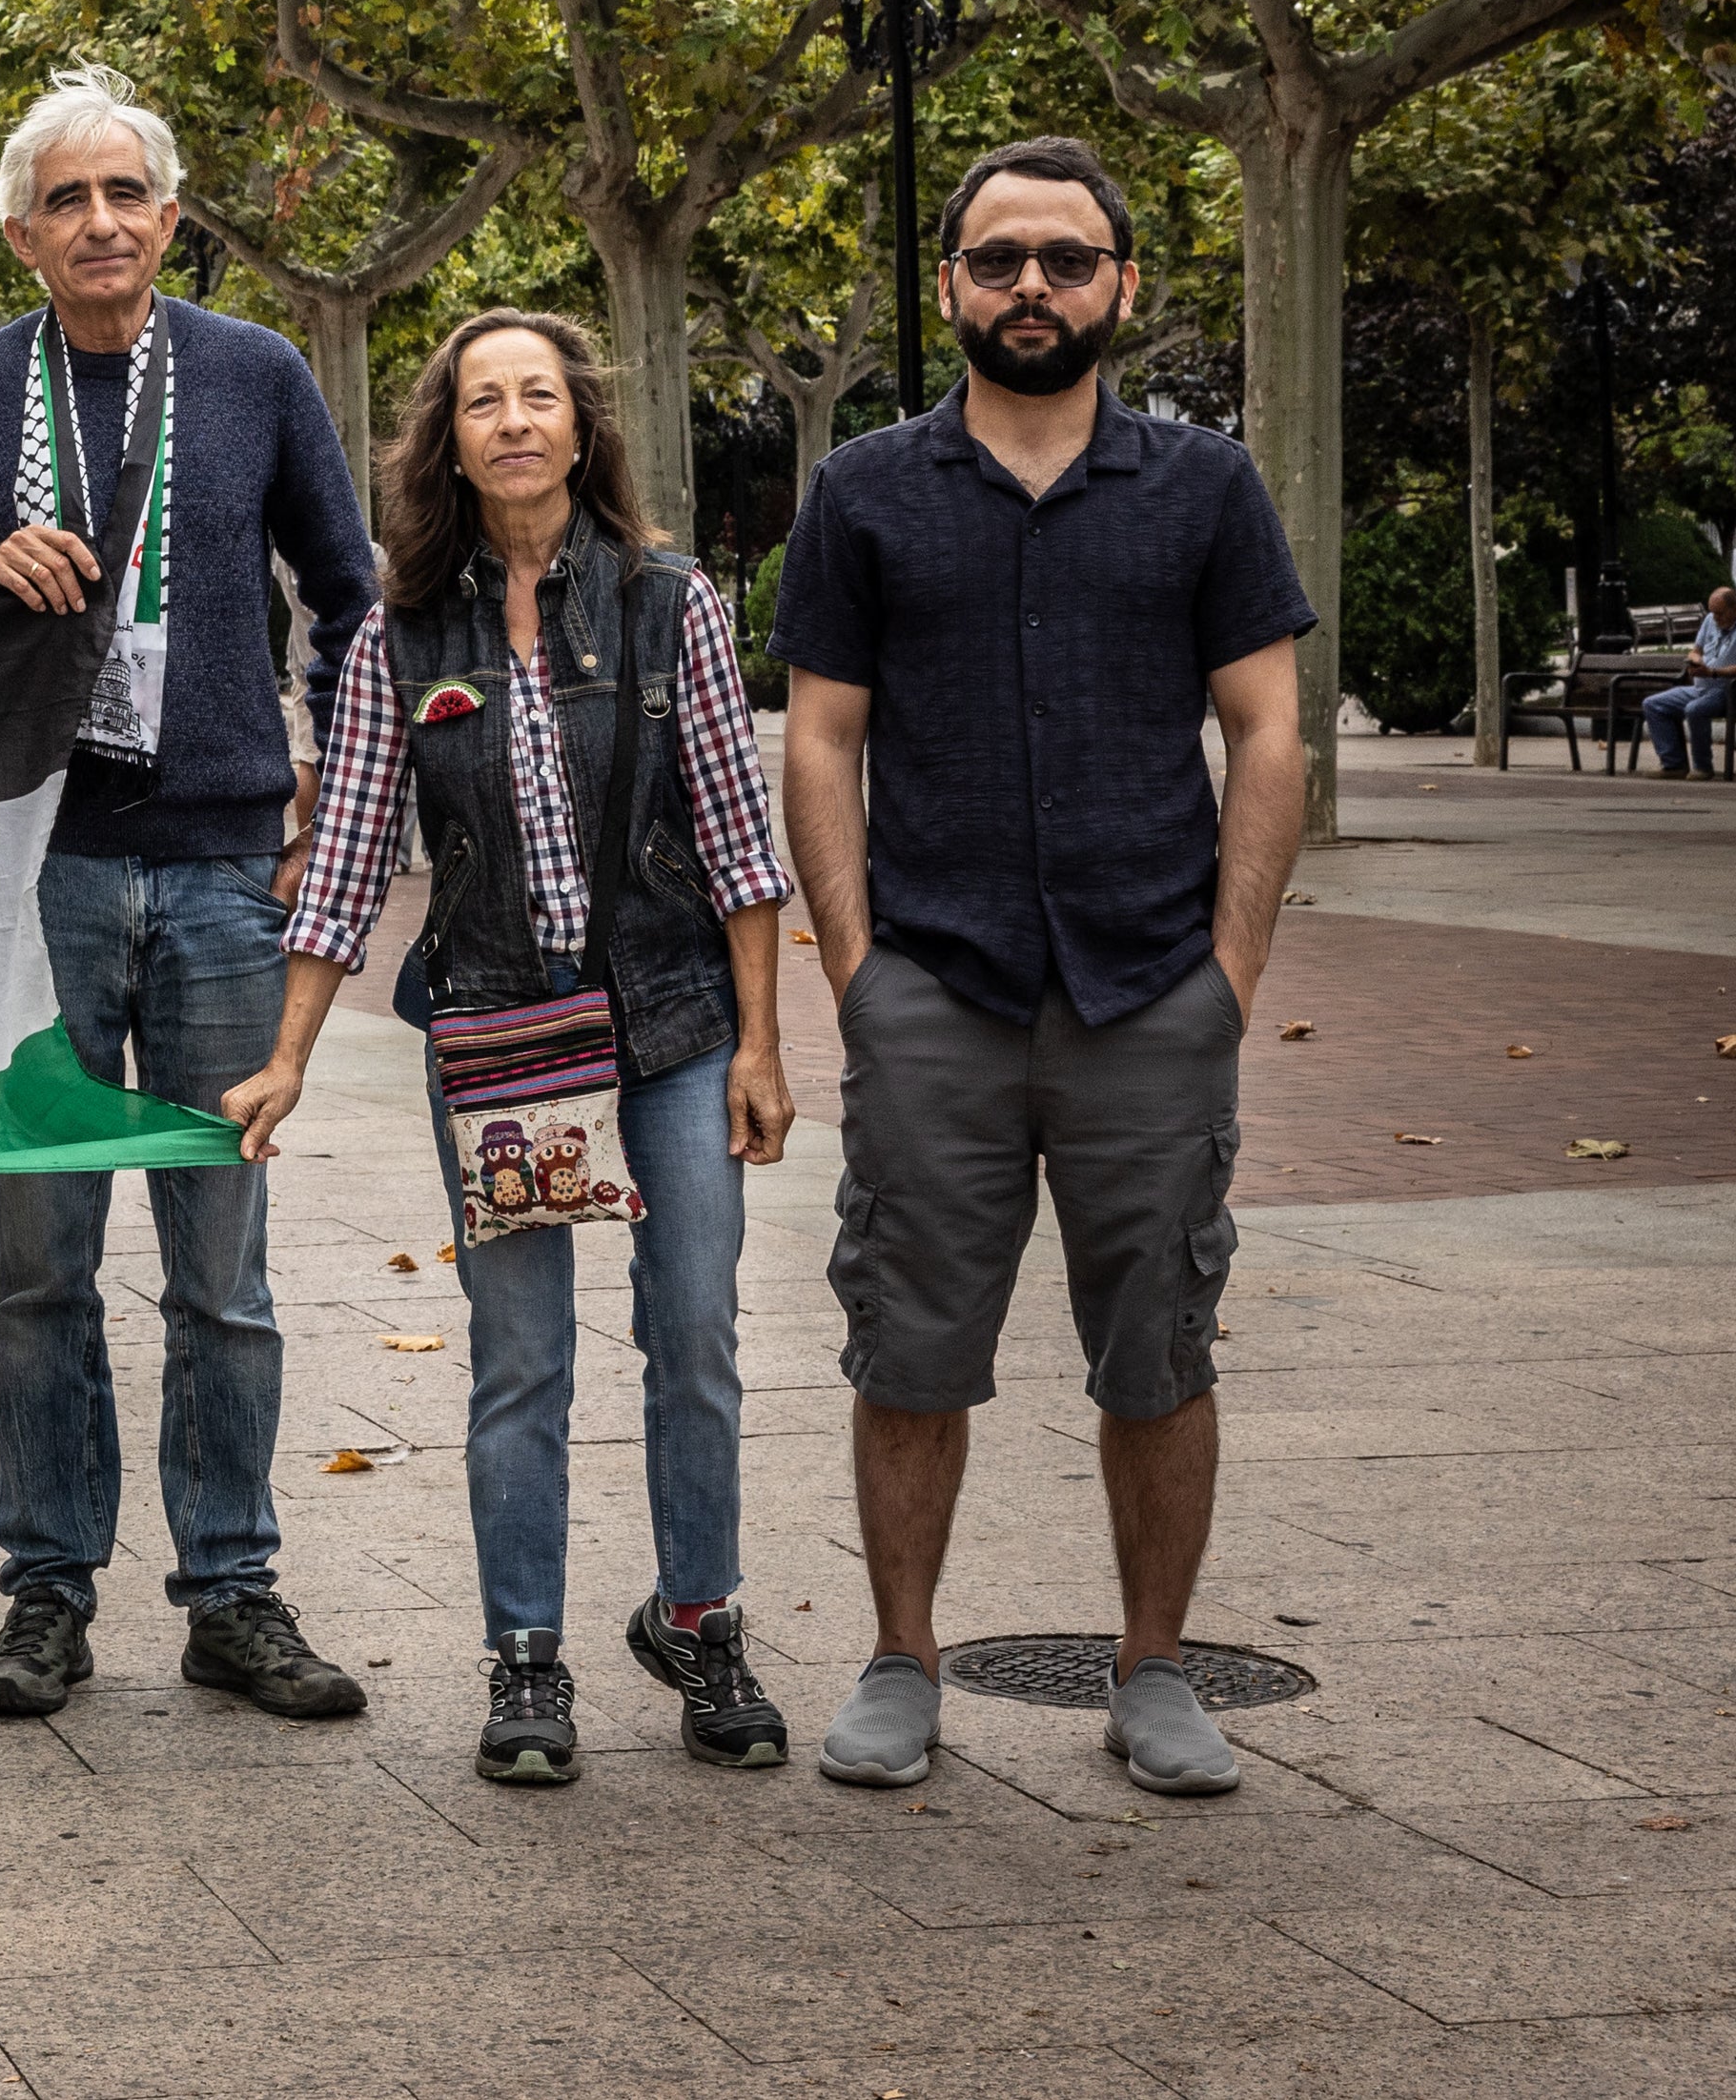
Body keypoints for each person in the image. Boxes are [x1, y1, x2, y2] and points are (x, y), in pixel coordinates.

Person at [777, 137, 1312, 1802]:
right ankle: (901, 1658)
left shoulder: (1206, 488)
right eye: (1000, 257)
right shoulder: (863, 489)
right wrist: (857, 972)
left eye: (1067, 260)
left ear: (1120, 287)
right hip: (936, 984)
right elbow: (820, 737)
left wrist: (1230, 972)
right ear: (949, 282)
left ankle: (1155, 1669)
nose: (1033, 286)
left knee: (1162, 1348)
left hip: (1150, 986)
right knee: (906, 1348)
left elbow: (1268, 731)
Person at [223, 310, 798, 1788]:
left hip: (673, 1021)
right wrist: (289, 1057)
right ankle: (526, 1658)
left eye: (540, 395)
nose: (517, 420)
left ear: (581, 425)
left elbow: (741, 848)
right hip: (501, 1030)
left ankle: (700, 1622)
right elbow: (349, 857)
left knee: (695, 1331)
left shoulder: (673, 603)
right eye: (485, 402)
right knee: (523, 1355)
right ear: (453, 442)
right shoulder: (402, 632)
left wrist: (761, 1047)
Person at [0, 62, 380, 1724]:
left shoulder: (255, 375)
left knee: (222, 1270)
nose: (100, 221)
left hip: (226, 873)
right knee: (39, 1266)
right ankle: (46, 1593)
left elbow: (350, 596)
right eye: (68, 200)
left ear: (170, 218)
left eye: (127, 193)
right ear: (22, 234)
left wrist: (337, 804)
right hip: (38, 873)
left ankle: (233, 1590)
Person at [1644, 585, 1736, 775]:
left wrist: (1713, 672)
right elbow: (1696, 650)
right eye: (1712, 612)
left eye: (1720, 613)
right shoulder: (1710, 620)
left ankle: (1703, 767)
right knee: (1654, 705)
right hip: (1703, 688)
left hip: (1733, 690)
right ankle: (1673, 764)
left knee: (1696, 709)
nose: (1715, 618)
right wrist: (1696, 660)